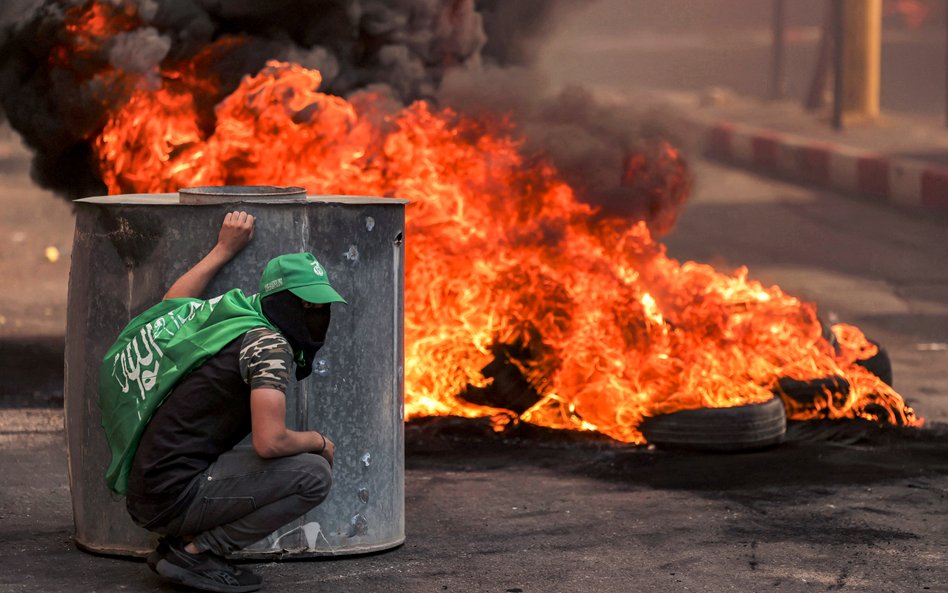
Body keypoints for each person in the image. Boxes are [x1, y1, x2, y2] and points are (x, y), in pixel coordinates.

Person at [98, 211, 346, 593]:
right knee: (314, 475)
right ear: (280, 302)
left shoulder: (231, 315)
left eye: (321, 308)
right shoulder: (269, 345)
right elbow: (270, 441)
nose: (315, 316)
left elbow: (171, 304)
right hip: (172, 495)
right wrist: (319, 441)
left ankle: (185, 544)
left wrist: (222, 250)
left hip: (151, 486)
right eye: (306, 306)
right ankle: (197, 553)